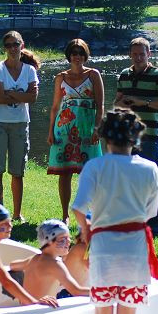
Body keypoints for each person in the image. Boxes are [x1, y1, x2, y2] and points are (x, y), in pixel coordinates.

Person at [71, 108, 158, 314]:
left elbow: (78, 207)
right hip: (135, 249)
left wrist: (87, 228)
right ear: (136, 137)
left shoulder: (96, 167)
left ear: (105, 136)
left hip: (104, 248)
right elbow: (149, 213)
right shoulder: (149, 168)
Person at [114, 37, 158, 237]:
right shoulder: (124, 75)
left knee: (151, 183)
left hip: (149, 137)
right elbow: (118, 104)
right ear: (130, 55)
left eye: (142, 54)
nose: (138, 58)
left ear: (149, 54)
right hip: (127, 139)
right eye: (135, 54)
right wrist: (123, 103)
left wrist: (144, 101)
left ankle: (153, 229)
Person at [0, 30, 40, 222]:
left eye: (15, 44)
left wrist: (11, 93)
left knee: (18, 171)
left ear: (22, 46)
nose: (12, 48)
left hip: (20, 123)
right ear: (4, 48)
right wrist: (20, 95)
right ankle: (0, 212)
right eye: (8, 45)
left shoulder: (30, 70)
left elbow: (33, 98)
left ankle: (17, 214)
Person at [47, 38, 104, 221]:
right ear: (69, 56)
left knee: (91, 173)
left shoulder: (94, 74)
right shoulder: (60, 77)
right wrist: (50, 131)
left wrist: (97, 128)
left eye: (80, 53)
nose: (77, 57)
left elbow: (100, 104)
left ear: (85, 55)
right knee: (64, 172)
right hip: (64, 128)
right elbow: (55, 107)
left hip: (87, 127)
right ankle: (65, 215)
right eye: (74, 53)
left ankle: (92, 214)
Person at [0, 202, 59, 308]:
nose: (10, 225)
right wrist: (34, 302)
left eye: (9, 221)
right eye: (4, 223)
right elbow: (6, 281)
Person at [21, 219, 89, 299]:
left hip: (38, 305)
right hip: (55, 303)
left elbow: (13, 265)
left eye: (68, 238)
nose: (68, 242)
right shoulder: (56, 264)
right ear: (49, 241)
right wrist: (102, 291)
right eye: (63, 240)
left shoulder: (35, 258)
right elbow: (76, 291)